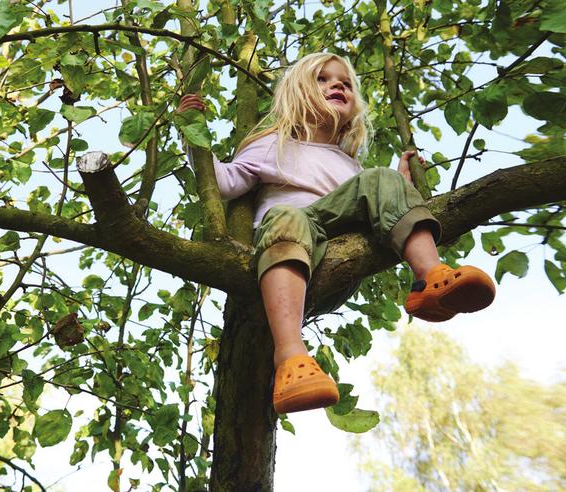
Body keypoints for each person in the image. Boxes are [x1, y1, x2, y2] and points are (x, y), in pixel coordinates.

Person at [177, 53, 496, 414]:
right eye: (324, 79)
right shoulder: (272, 144)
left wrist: (400, 184)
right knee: (287, 215)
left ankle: (431, 280)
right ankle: (291, 357)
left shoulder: (352, 164)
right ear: (298, 93)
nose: (338, 85)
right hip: (289, 256)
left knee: (381, 178)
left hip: (338, 261)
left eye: (344, 82)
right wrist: (193, 132)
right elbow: (224, 183)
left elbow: (379, 204)